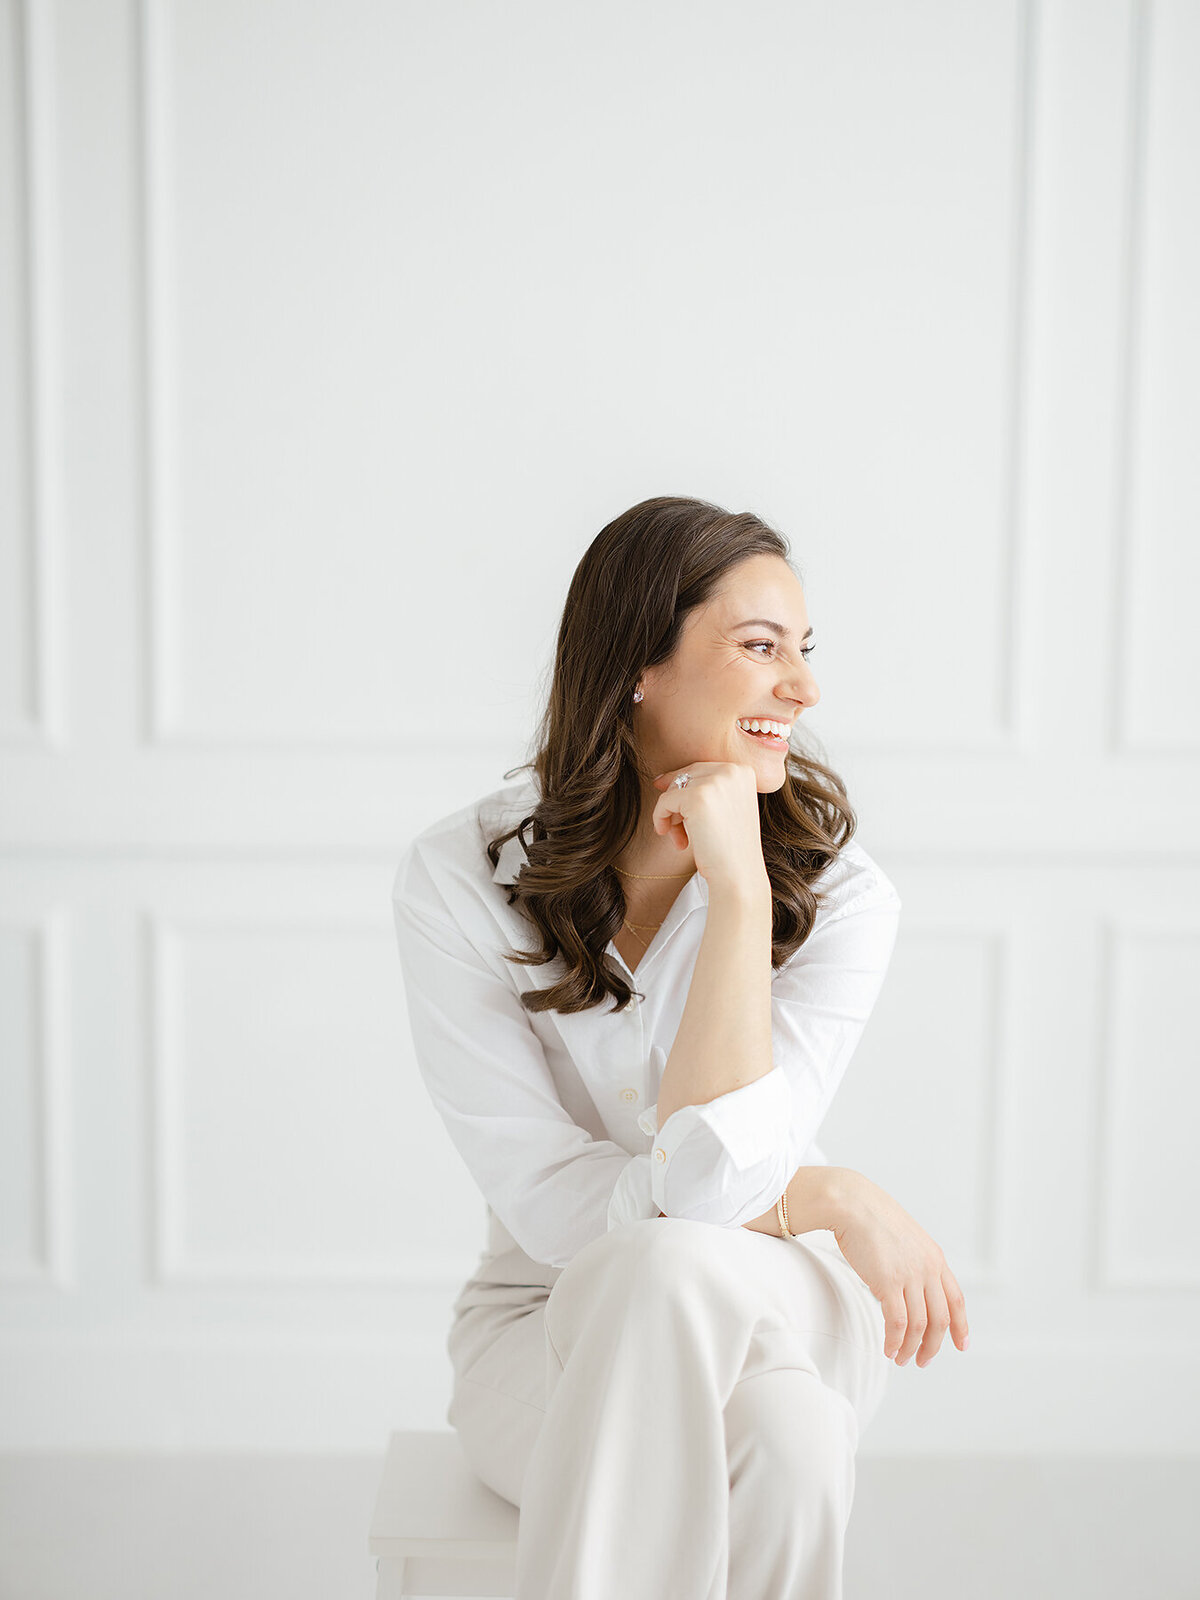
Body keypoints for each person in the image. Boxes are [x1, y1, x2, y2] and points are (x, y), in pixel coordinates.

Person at [390, 496, 969, 1600]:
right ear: (636, 665)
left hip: (784, 1294)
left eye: (804, 651)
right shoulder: (459, 877)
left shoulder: (844, 898)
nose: (802, 687)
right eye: (760, 648)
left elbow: (719, 1197)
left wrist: (740, 892)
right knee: (789, 1438)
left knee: (668, 1260)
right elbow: (555, 1206)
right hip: (540, 1321)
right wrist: (834, 1193)